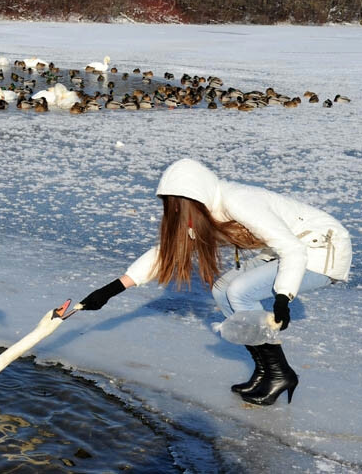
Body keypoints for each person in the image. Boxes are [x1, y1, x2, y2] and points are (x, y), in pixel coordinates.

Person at [78, 158, 352, 406]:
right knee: (223, 291)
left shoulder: (239, 201)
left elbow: (292, 249)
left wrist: (283, 297)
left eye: (179, 206)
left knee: (240, 291)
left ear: (196, 199)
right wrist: (110, 290)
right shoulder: (203, 215)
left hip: (320, 252)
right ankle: (268, 370)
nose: (176, 214)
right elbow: (164, 254)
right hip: (281, 253)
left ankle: (280, 373)